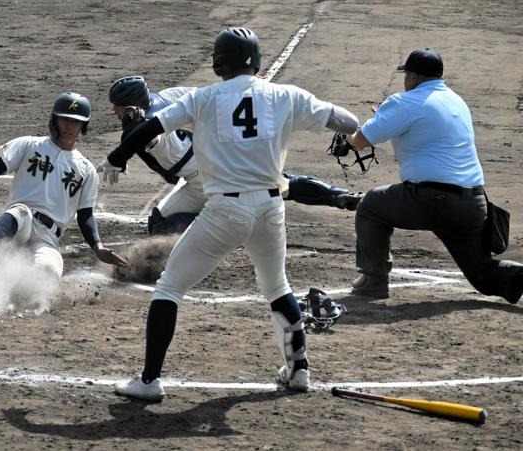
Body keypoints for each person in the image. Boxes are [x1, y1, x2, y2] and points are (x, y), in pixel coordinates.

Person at [98, 27, 360, 401]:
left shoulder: (204, 97)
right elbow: (344, 121)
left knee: (170, 287)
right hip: (271, 210)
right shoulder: (285, 94)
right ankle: (299, 370)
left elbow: (149, 129)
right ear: (256, 59)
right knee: (277, 287)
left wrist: (115, 159)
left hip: (225, 210)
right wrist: (365, 132)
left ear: (219, 62)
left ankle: (149, 381)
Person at [346, 48, 523, 304]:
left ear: (414, 77)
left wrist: (348, 137)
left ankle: (374, 281)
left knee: (371, 205)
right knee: (484, 275)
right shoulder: (456, 101)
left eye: (407, 75)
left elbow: (361, 140)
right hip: (473, 205)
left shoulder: (405, 102)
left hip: (431, 200)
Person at [108, 76, 363, 235]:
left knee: (160, 226)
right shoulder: (166, 96)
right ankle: (338, 196)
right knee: (278, 186)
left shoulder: (152, 131)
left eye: (117, 106)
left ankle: (233, 223)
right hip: (217, 160)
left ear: (131, 105)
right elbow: (206, 93)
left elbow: (151, 138)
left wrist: (135, 132)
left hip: (207, 179)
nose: (114, 112)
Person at [0, 92, 128, 286]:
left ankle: (11, 288)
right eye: (65, 120)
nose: (69, 127)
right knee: (19, 212)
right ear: (55, 120)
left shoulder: (86, 170)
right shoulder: (30, 145)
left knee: (49, 271)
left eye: (76, 122)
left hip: (48, 237)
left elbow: (85, 214)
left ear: (82, 126)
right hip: (21, 224)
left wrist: (98, 247)